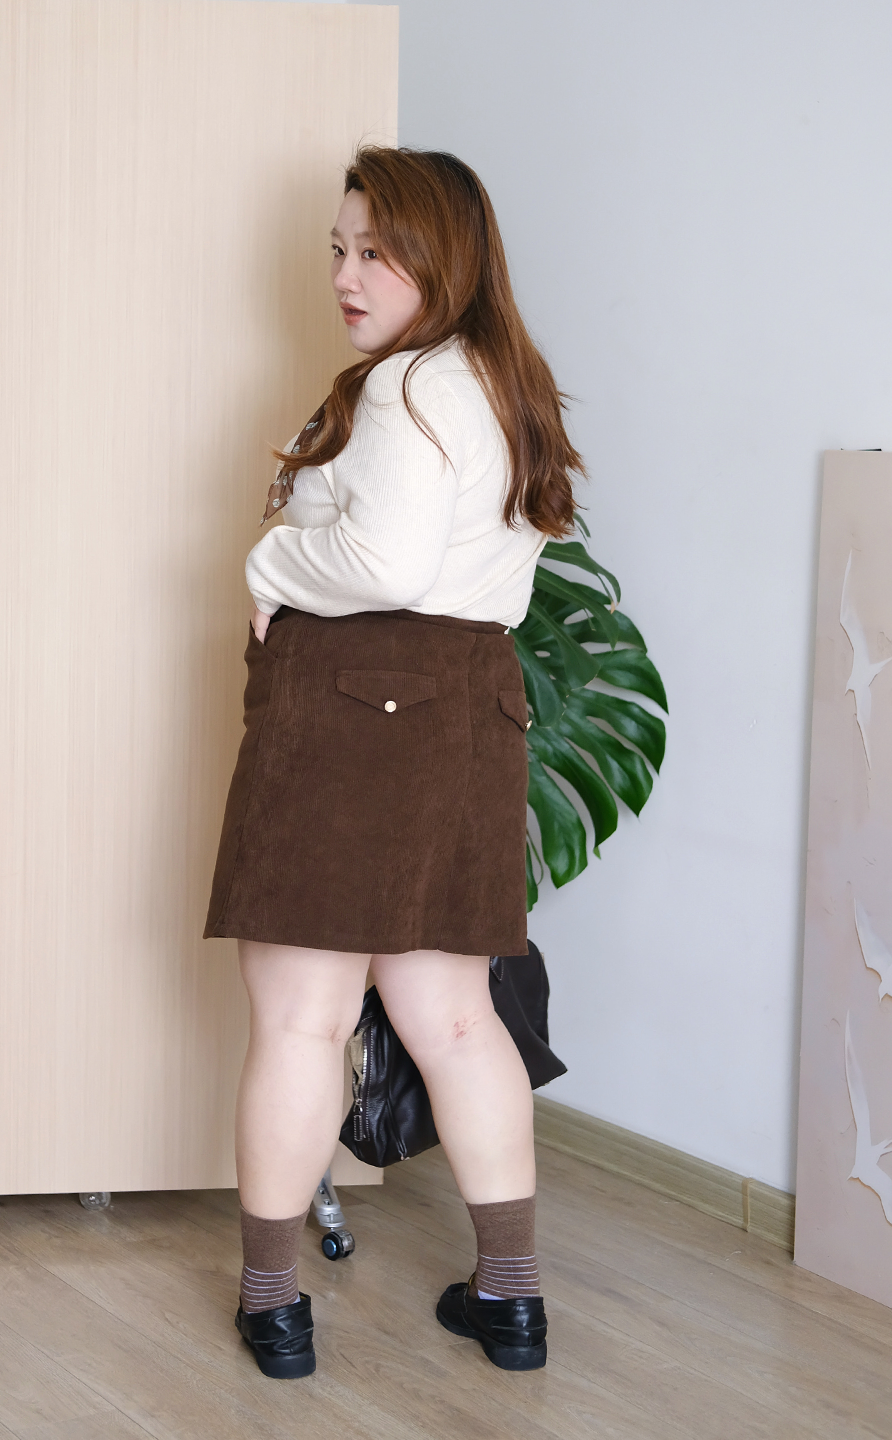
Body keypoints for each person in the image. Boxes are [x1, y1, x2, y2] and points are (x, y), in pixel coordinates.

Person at [203, 145, 583, 1380]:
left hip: (353, 704)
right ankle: (511, 1299)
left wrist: (269, 562)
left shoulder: (408, 386)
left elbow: (385, 566)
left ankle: (275, 1308)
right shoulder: (504, 383)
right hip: (469, 707)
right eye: (337, 249)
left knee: (302, 1021)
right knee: (459, 1023)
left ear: (444, 257)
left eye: (376, 251)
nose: (345, 275)